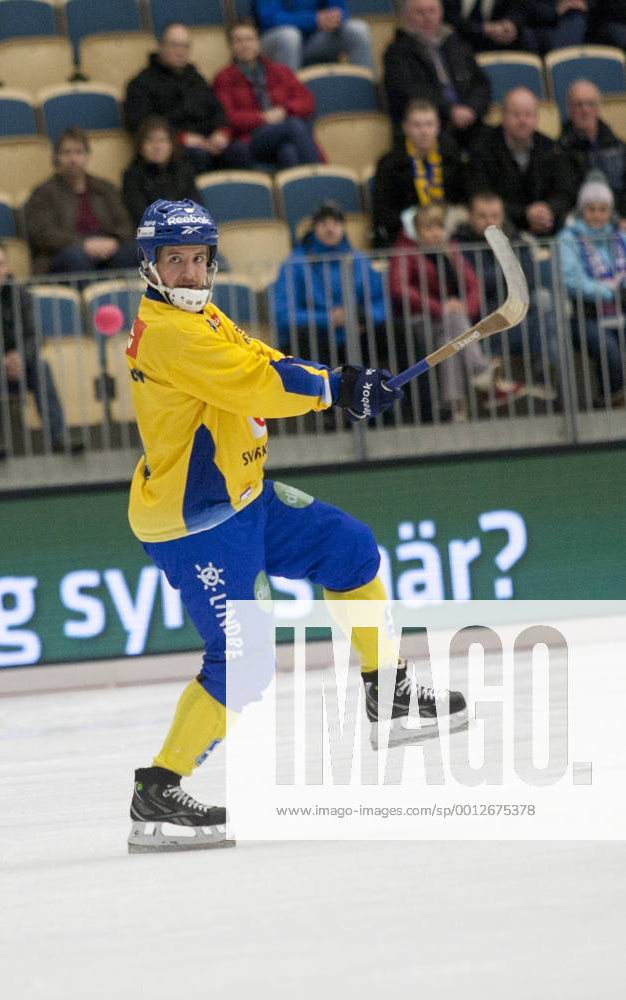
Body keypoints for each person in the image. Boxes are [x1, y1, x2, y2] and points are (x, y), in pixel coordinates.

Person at [124, 197, 468, 851]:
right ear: (151, 266)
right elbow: (255, 382)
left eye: (199, 260)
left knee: (347, 547)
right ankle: (158, 792)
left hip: (243, 494)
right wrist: (337, 388)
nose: (192, 273)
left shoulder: (194, 310)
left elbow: (258, 354)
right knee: (245, 660)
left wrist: (341, 382)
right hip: (197, 522)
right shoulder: (171, 333)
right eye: (176, 261)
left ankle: (386, 693)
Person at [389, 203, 524, 420]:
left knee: (448, 341)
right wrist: (441, 308)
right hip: (416, 320)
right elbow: (400, 289)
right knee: (452, 324)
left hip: (451, 322)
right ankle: (481, 372)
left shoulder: (450, 249)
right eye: (428, 228)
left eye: (438, 227)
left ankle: (454, 405)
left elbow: (473, 284)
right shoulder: (404, 251)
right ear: (417, 230)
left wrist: (465, 308)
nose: (435, 233)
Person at [0, 240, 80, 459]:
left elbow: (34, 335)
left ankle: (59, 437)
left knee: (40, 365)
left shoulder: (19, 295)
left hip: (16, 367)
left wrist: (18, 357)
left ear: (7, 268)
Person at [453, 191, 559, 394]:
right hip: (482, 315)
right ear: (471, 217)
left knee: (543, 299)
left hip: (518, 314)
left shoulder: (516, 238)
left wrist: (498, 278)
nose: (488, 221)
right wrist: (507, 274)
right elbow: (472, 281)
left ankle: (544, 375)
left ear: (502, 217)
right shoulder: (459, 243)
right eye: (482, 216)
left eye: (494, 216)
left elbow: (528, 277)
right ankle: (495, 379)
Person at [123, 22, 252, 174]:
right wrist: (182, 138)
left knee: (240, 151)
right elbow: (141, 126)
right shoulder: (140, 83)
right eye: (174, 45)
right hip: (174, 147)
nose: (180, 51)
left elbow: (218, 111)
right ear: (160, 46)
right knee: (196, 156)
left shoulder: (196, 78)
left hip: (209, 142)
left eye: (185, 46)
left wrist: (221, 133)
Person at [272, 201, 387, 366]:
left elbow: (380, 303)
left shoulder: (359, 260)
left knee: (397, 334)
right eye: (323, 223)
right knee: (307, 339)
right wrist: (329, 319)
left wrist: (361, 316)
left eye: (336, 223)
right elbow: (284, 315)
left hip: (356, 332)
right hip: (316, 336)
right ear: (314, 228)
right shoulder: (294, 263)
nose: (330, 228)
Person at [25, 127, 137, 275]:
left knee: (134, 252)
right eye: (67, 153)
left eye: (78, 152)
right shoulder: (43, 193)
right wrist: (83, 244)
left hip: (107, 249)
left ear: (87, 156)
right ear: (57, 157)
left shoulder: (105, 188)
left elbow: (125, 224)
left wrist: (113, 241)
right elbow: (42, 234)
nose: (73, 159)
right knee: (76, 258)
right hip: (64, 255)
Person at [213, 18, 320, 170]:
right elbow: (227, 117)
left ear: (258, 42)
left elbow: (307, 101)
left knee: (289, 152)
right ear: (231, 46)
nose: (245, 45)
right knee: (294, 125)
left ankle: (304, 191)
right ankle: (320, 176)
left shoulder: (280, 71)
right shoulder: (223, 78)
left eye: (250, 39)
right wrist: (262, 118)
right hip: (250, 139)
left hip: (280, 133)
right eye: (238, 40)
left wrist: (284, 111)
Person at [383, 0, 490, 148]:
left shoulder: (456, 44)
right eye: (420, 12)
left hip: (469, 120)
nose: (427, 17)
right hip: (428, 125)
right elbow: (409, 91)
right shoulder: (397, 52)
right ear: (406, 17)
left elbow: (481, 83)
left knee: (494, 143)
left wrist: (472, 109)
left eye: (432, 11)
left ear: (441, 13)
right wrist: (450, 111)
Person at [467, 87, 572, 237]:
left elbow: (566, 190)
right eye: (516, 114)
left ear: (536, 118)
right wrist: (524, 213)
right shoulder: (482, 149)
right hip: (501, 229)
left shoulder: (551, 148)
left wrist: (548, 209)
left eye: (528, 115)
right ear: (503, 116)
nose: (523, 121)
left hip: (547, 225)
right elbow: (479, 194)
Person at [559, 178, 625, 407]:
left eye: (603, 209)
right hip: (582, 313)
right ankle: (613, 396)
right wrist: (607, 293)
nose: (597, 215)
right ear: (582, 210)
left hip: (619, 309)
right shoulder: (568, 238)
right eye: (592, 209)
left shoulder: (619, 238)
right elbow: (571, 279)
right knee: (606, 346)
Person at [372, 98, 467, 249]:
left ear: (438, 126)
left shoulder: (452, 159)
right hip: (406, 240)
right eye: (417, 125)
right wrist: (417, 223)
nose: (424, 131)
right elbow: (382, 212)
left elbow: (464, 200)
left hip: (449, 235)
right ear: (405, 127)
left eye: (429, 124)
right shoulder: (389, 164)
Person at [556, 81, 626, 225]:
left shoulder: (618, 147)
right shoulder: (557, 151)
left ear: (599, 108)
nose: (585, 110)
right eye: (579, 104)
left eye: (591, 104)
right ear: (569, 109)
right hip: (578, 226)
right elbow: (564, 197)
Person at [255, 0, 374, 72]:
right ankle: (291, 98)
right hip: (274, 40)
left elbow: (341, 10)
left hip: (313, 41)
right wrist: (314, 20)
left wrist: (335, 17)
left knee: (358, 29)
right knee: (289, 36)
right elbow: (270, 19)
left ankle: (364, 92)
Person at [122, 117, 199, 226]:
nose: (157, 146)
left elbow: (196, 209)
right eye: (150, 141)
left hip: (186, 231)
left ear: (171, 145)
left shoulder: (184, 170)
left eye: (162, 140)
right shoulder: (132, 176)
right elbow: (140, 216)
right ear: (141, 147)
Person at [442, 0, 523, 51]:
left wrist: (509, 24)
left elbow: (518, 8)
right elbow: (449, 18)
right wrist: (483, 29)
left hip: (496, 42)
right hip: (457, 39)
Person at [520, 0, 590, 55]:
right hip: (544, 23)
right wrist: (557, 10)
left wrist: (585, 5)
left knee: (576, 20)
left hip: (579, 18)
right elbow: (527, 8)